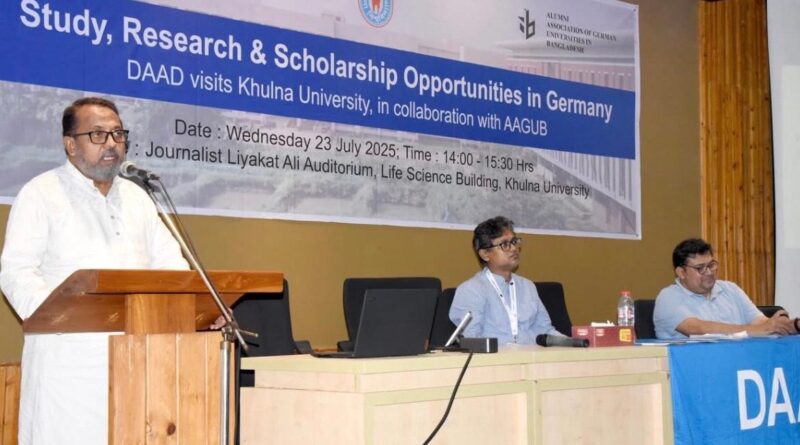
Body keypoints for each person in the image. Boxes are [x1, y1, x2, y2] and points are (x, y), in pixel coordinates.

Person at [0, 97, 189, 444]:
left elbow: (172, 268)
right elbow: (16, 271)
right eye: (98, 134)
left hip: (135, 365)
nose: (112, 143)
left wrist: (191, 305)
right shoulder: (41, 193)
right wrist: (60, 314)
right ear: (70, 144)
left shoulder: (138, 199)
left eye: (118, 134)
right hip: (67, 370)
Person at [449, 216, 562, 345]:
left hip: (532, 355)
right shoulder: (471, 290)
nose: (514, 248)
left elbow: (546, 331)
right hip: (496, 357)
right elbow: (472, 340)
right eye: (505, 244)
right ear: (485, 254)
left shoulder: (528, 286)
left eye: (514, 242)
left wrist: (574, 343)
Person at [653, 238, 795, 339]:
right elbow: (698, 329)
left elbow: (760, 322)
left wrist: (786, 325)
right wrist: (757, 330)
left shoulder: (730, 289)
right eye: (700, 268)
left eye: (711, 265)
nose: (709, 272)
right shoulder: (668, 297)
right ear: (681, 273)